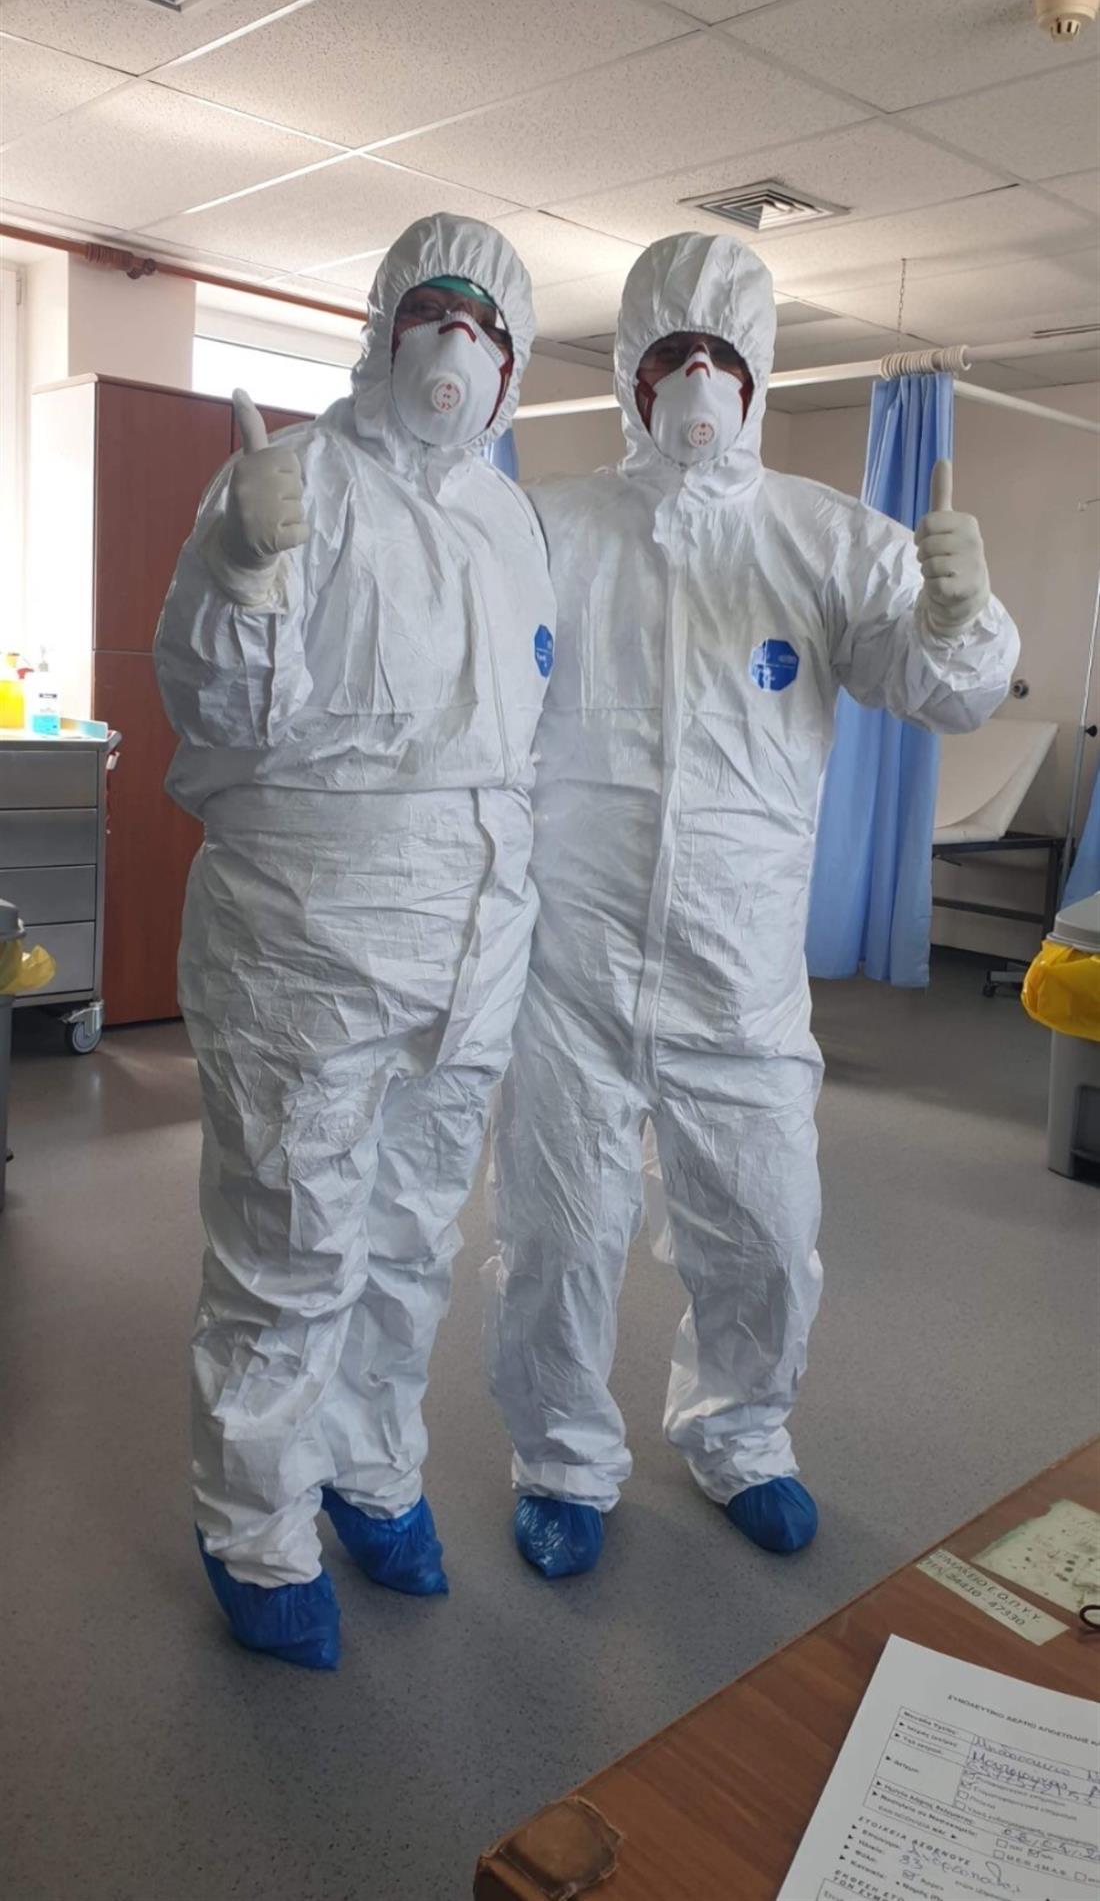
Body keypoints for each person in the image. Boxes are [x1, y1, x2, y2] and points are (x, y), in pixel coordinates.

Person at [484, 230, 1019, 1579]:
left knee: (769, 1236)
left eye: (720, 353)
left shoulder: (824, 538)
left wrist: (962, 615)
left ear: (759, 372)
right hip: (573, 962)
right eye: (670, 352)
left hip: (740, 973)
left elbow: (943, 690)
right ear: (630, 370)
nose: (696, 379)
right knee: (557, 1234)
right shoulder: (550, 527)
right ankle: (560, 1458)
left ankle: (742, 1434)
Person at [155, 214, 555, 1666]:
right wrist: (239, 568)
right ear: (384, 324)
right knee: (291, 1241)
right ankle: (255, 1525)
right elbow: (217, 709)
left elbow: (518, 739)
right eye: (435, 308)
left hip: (473, 948)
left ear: (513, 362)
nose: (458, 341)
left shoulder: (510, 521)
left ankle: (370, 1469)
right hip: (305, 941)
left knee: (411, 1236)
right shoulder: (291, 479)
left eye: (488, 324)